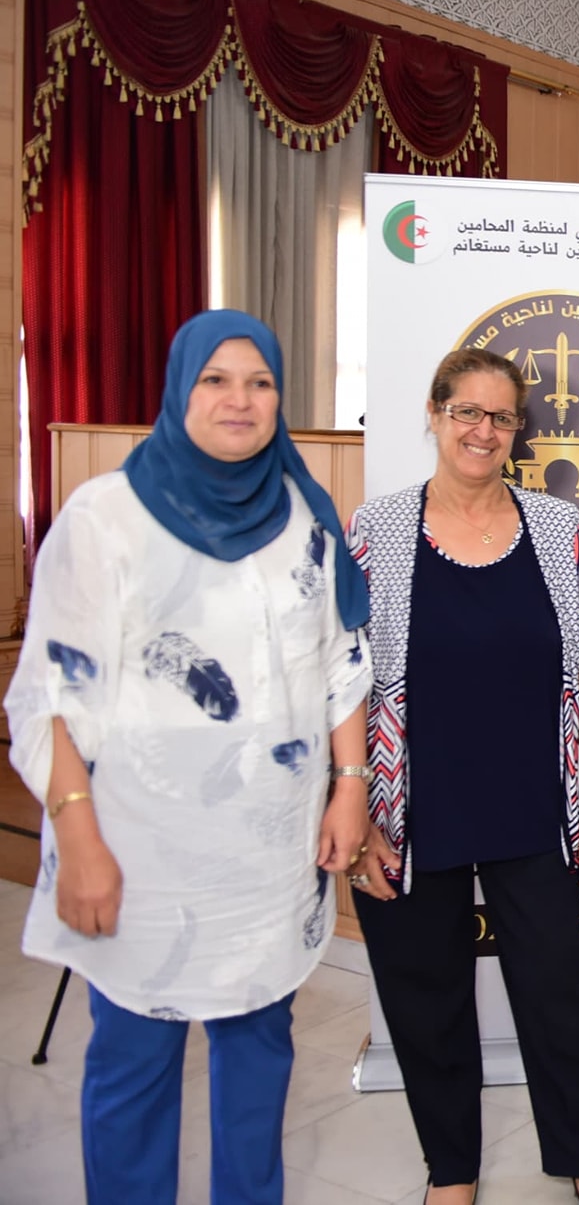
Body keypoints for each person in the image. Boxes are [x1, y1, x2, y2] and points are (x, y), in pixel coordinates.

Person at [6, 310, 372, 1205]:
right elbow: (51, 694)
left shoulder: (303, 514)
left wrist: (349, 785)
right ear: (179, 390)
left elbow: (340, 662)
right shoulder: (107, 518)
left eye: (260, 383)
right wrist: (78, 840)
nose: (239, 400)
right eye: (216, 380)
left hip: (269, 858)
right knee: (134, 1067)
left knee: (259, 1061)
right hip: (139, 852)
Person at [345, 347, 579, 1205]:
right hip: (408, 811)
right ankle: (452, 1172)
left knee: (561, 998)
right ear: (434, 415)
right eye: (466, 411)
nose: (483, 429)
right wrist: (354, 806)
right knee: (425, 1001)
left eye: (501, 416)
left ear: (517, 430)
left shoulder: (558, 528)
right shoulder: (376, 530)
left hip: (535, 806)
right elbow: (341, 678)